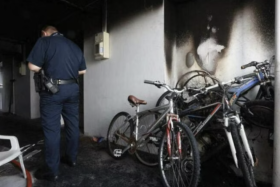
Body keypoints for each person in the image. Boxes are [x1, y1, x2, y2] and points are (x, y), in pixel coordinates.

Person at [27, 25, 86, 181]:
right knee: (72, 125)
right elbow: (83, 71)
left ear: (44, 33)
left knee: (52, 129)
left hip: (52, 90)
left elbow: (32, 66)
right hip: (73, 88)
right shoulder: (75, 46)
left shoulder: (44, 41)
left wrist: (47, 70)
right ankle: (71, 158)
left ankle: (51, 170)